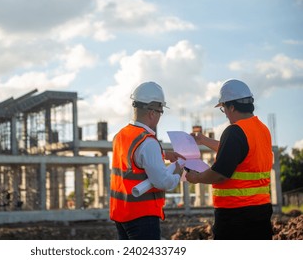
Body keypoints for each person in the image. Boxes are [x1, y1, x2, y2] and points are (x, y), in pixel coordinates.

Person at [186, 79, 274, 240]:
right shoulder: (262, 130)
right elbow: (236, 151)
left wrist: (196, 177)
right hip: (261, 212)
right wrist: (203, 139)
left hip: (236, 215)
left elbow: (220, 174)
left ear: (231, 107)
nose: (225, 113)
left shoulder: (234, 131)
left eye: (224, 109)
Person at [110, 81, 185, 240]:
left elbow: (134, 158)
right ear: (152, 112)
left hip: (121, 213)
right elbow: (163, 182)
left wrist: (163, 153)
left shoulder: (121, 135)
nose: (159, 116)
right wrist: (178, 172)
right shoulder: (148, 142)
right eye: (160, 112)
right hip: (142, 216)